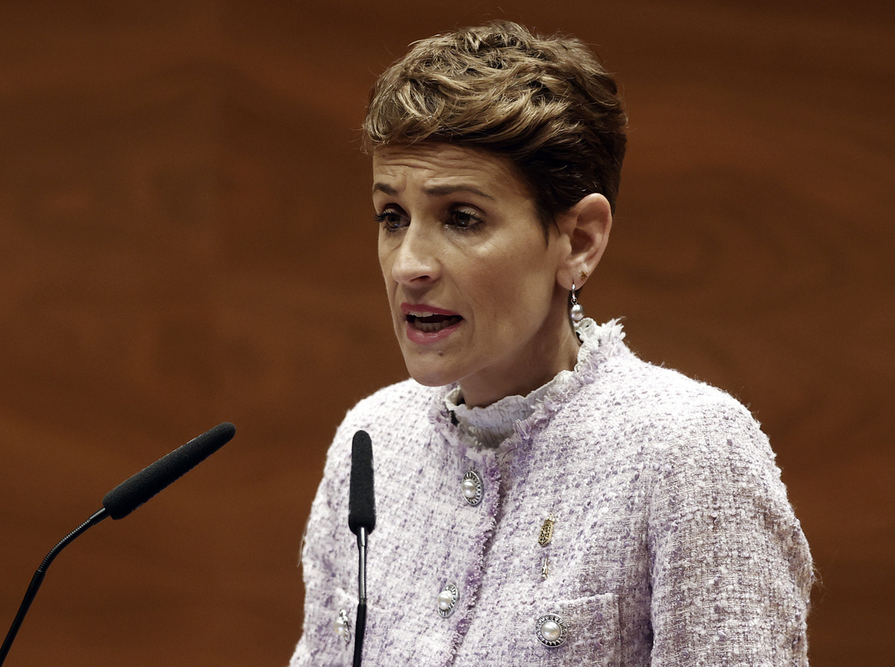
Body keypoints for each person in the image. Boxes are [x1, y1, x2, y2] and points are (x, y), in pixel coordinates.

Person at [289, 21, 812, 666]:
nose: (407, 266)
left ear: (580, 240)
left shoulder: (687, 452)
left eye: (461, 217)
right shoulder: (370, 440)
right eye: (392, 217)